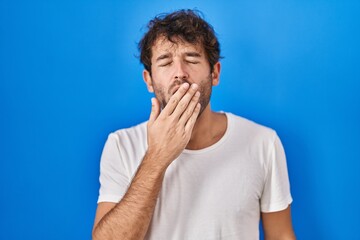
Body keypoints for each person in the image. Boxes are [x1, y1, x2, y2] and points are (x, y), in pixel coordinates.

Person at [92, 9, 296, 240]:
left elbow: (281, 235)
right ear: (149, 80)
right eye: (165, 62)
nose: (180, 73)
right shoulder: (121, 145)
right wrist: (157, 157)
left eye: (191, 59)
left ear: (215, 74)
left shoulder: (263, 142)